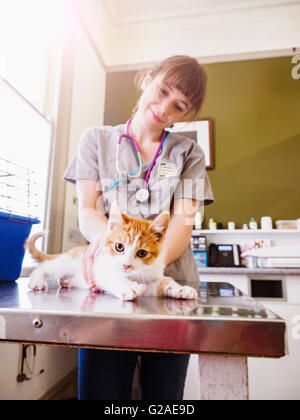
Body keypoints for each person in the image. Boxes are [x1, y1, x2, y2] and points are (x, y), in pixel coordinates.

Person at [64, 55, 214, 400]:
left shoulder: (188, 154)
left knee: (164, 395)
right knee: (102, 392)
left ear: (185, 114)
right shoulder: (96, 141)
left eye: (178, 106)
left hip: (170, 288)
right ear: (147, 78)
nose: (164, 108)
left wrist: (149, 272)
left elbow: (183, 222)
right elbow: (87, 211)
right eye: (162, 91)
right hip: (108, 283)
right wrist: (119, 264)